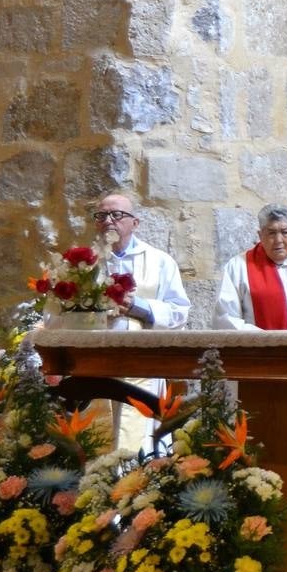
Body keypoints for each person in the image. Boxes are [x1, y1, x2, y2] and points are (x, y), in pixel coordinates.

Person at [94, 193, 191, 452]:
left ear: (135, 223)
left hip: (141, 362)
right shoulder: (85, 263)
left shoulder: (160, 261)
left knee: (140, 438)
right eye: (101, 215)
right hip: (94, 360)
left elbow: (179, 312)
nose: (108, 221)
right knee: (97, 436)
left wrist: (140, 307)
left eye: (117, 215)